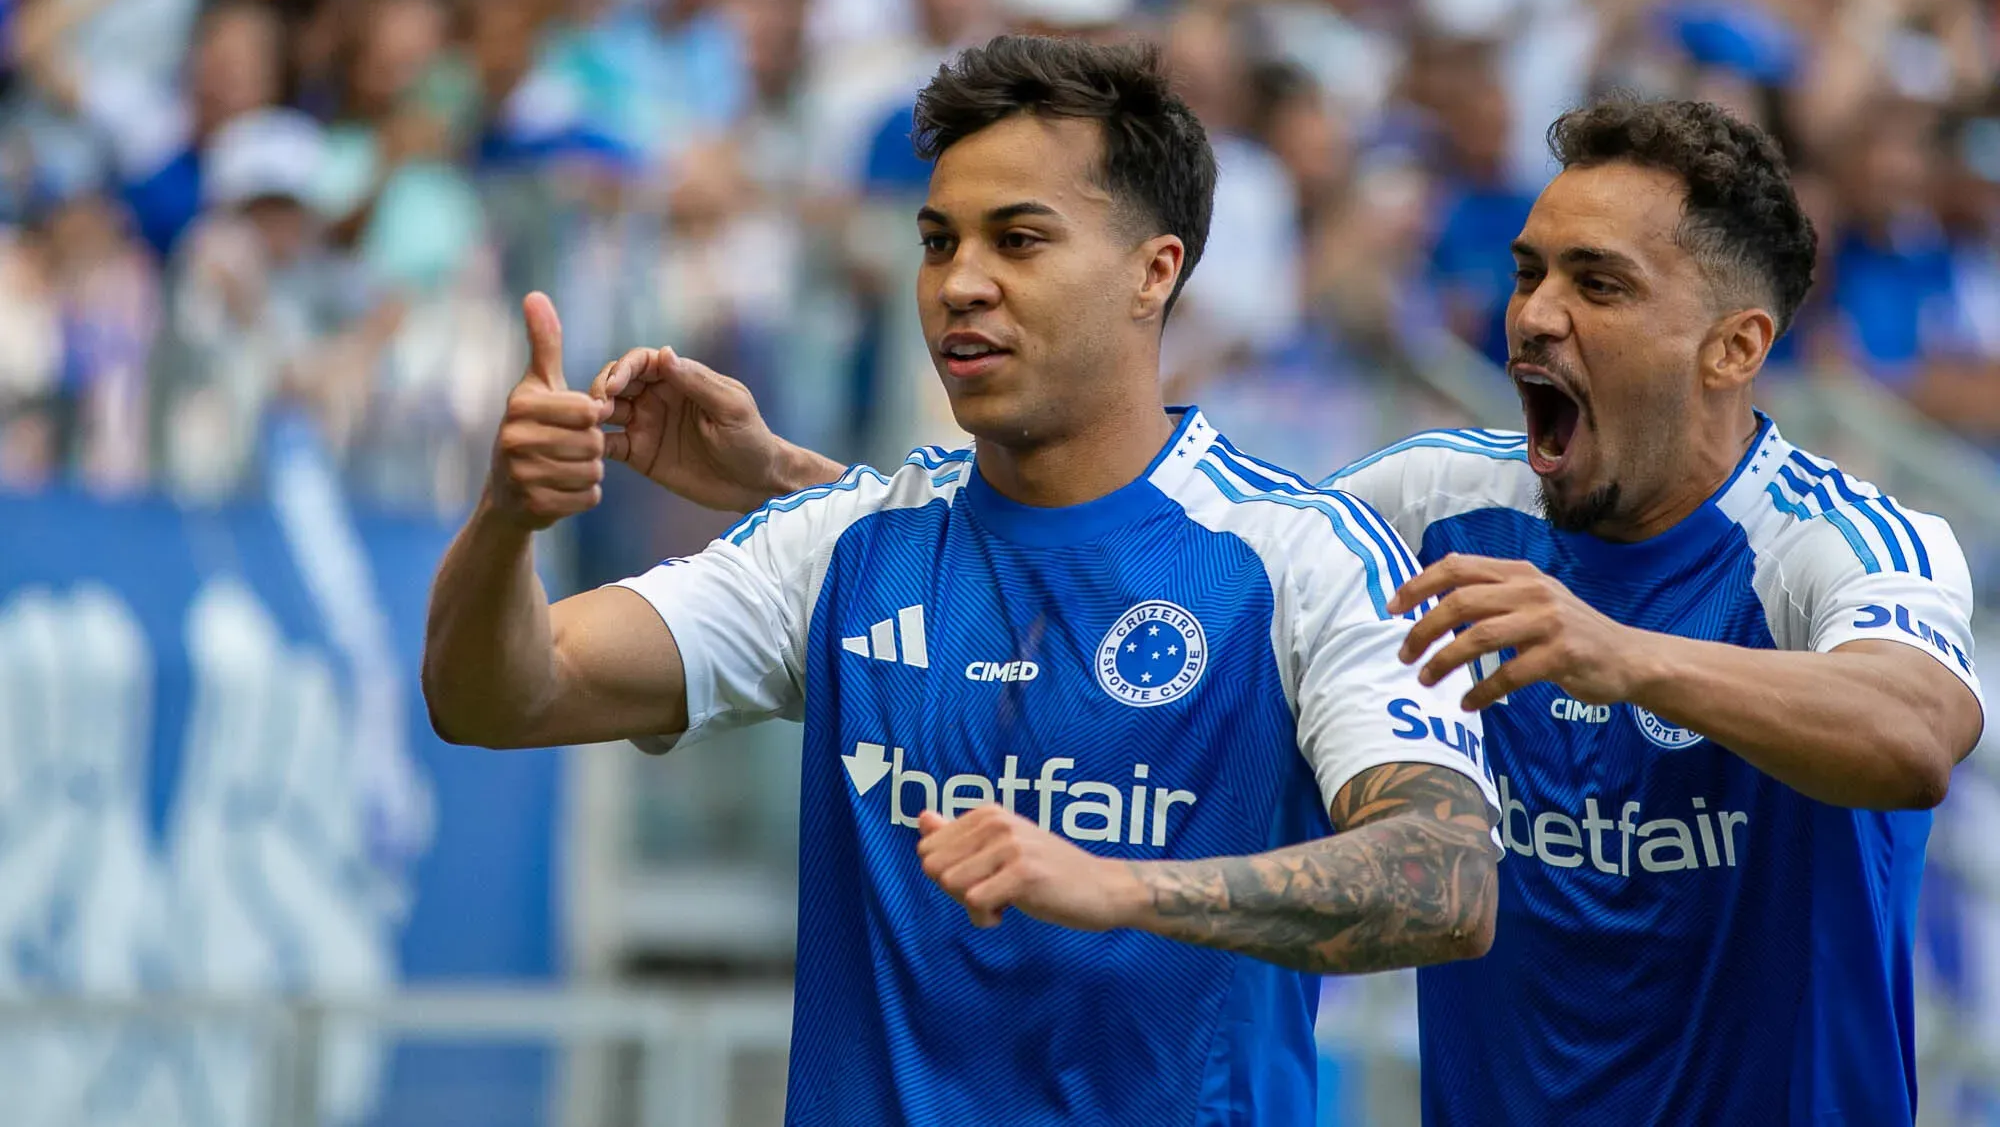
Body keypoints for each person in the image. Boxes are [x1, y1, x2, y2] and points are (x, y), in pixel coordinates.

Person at [643, 95, 1984, 1126]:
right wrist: (808, 490)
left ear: (1736, 347)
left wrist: (1621, 653)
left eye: (1600, 284)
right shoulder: (1427, 503)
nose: (1535, 315)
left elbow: (1914, 728)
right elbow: (1180, 548)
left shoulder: (1837, 542)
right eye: (1529, 271)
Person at [421, 36, 1501, 1126]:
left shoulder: (1305, 558)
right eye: (937, 242)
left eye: (1018, 240)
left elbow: (1447, 879)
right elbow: (499, 695)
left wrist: (1118, 887)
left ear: (1153, 270)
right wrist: (508, 517)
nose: (959, 284)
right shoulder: (847, 543)